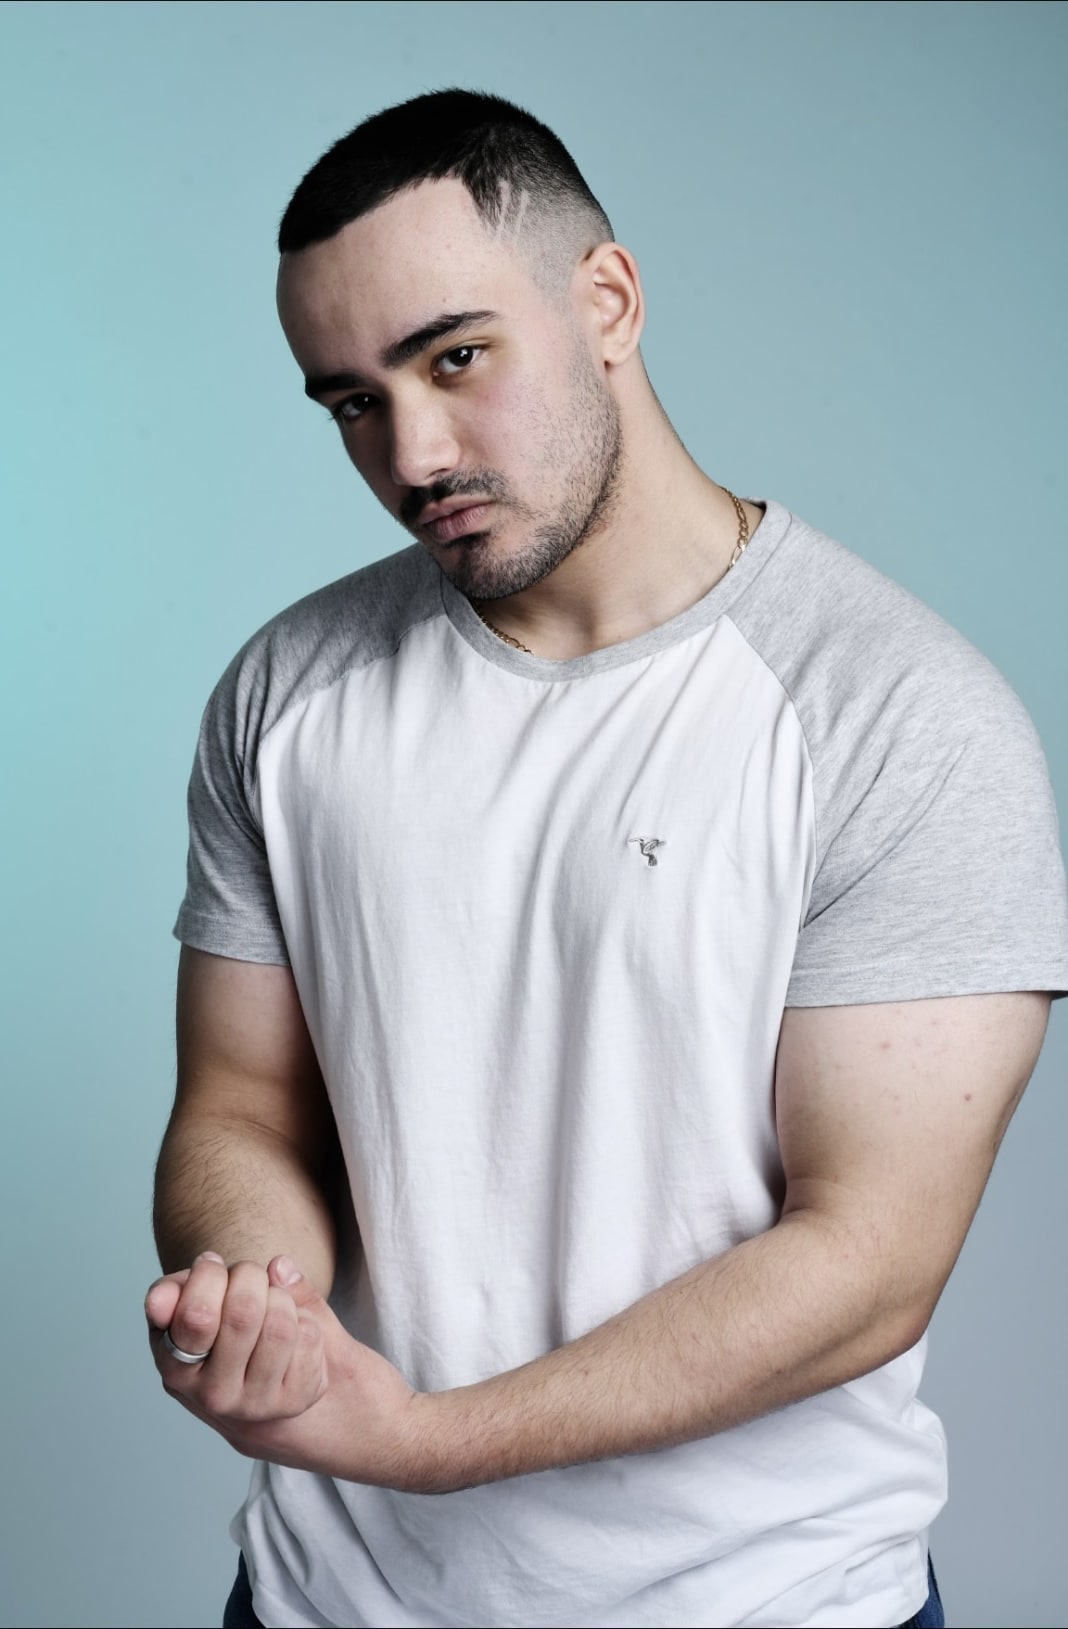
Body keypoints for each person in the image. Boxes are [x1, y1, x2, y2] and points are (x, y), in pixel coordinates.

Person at [145, 90, 1068, 1629]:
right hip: (329, 1595)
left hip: (765, 1602)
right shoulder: (286, 691)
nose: (412, 452)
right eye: (353, 402)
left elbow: (870, 1257)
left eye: (455, 357)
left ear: (610, 303)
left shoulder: (900, 716)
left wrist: (425, 1441)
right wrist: (260, 1303)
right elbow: (242, 1103)